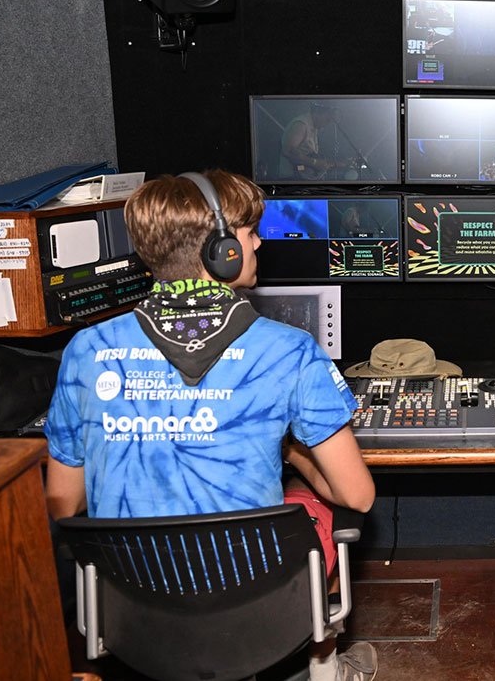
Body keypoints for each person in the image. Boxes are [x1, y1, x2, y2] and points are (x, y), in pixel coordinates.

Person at [44, 170, 378, 681]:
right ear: (222, 251)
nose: (260, 241)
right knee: (315, 510)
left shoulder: (86, 351)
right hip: (256, 618)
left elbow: (64, 504)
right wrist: (287, 449)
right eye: (249, 232)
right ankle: (325, 669)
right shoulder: (289, 352)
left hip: (134, 622)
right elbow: (357, 496)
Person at [280, 101, 336, 179]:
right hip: (291, 178)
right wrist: (315, 163)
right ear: (317, 113)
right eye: (327, 119)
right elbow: (287, 151)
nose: (327, 123)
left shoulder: (314, 127)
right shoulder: (301, 125)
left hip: (301, 177)